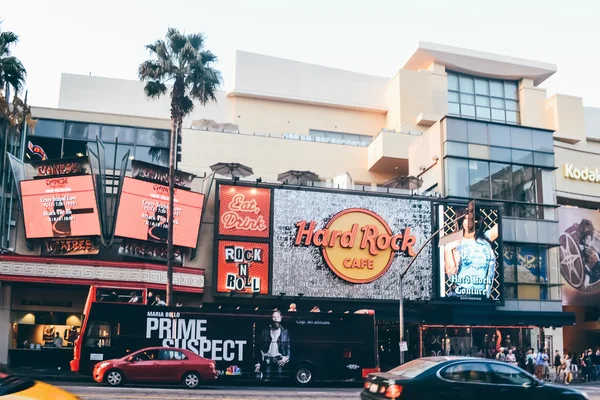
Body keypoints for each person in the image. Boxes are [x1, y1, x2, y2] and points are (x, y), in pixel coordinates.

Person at [444, 212, 497, 298]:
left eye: (471, 218)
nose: (468, 222)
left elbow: (502, 225)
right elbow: (451, 274)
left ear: (476, 221)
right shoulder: (455, 242)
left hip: (481, 295)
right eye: (465, 218)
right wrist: (447, 249)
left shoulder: (485, 239)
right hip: (460, 295)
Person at [255, 310, 290, 381]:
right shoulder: (265, 331)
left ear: (281, 318)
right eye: (274, 317)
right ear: (271, 318)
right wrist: (258, 362)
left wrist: (286, 358)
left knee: (280, 379)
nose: (276, 319)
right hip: (267, 359)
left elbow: (288, 347)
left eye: (277, 317)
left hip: (279, 359)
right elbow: (260, 347)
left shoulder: (285, 332)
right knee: (266, 379)